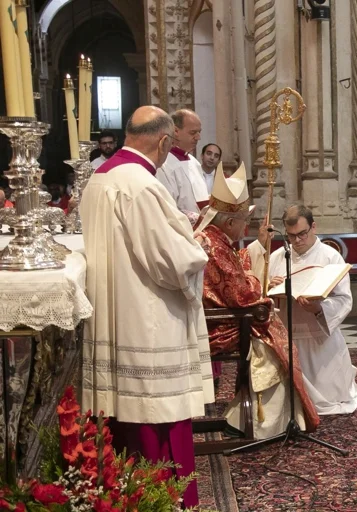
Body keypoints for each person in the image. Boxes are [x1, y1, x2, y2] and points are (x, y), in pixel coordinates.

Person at [80, 106, 213, 508]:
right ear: (162, 141)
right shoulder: (141, 184)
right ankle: (167, 502)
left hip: (115, 314)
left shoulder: (99, 179)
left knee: (125, 421)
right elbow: (172, 262)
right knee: (158, 419)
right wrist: (199, 250)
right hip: (148, 319)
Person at [194, 167, 323, 437]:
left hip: (215, 318)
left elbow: (234, 270)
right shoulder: (215, 245)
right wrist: (258, 282)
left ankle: (244, 414)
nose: (247, 227)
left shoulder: (212, 237)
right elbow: (243, 294)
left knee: (274, 329)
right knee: (275, 343)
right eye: (244, 221)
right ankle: (264, 424)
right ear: (229, 223)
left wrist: (257, 253)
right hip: (219, 327)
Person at [247, 204, 357, 416]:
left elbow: (344, 299)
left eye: (302, 234)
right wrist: (269, 287)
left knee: (329, 399)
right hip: (287, 332)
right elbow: (255, 289)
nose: (297, 241)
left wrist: (319, 308)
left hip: (319, 335)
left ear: (314, 227)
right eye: (291, 236)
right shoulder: (277, 257)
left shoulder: (330, 257)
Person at [156, 109, 210, 222]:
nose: (198, 137)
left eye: (199, 132)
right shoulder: (163, 164)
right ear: (175, 131)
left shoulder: (194, 162)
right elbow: (166, 207)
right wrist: (196, 218)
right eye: (193, 132)